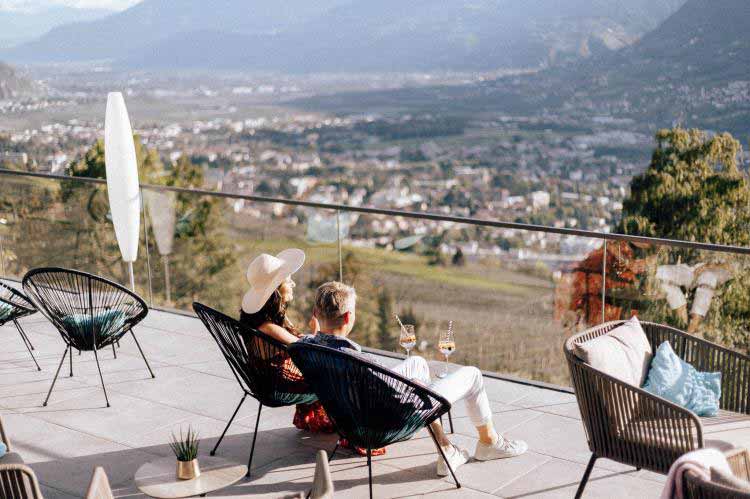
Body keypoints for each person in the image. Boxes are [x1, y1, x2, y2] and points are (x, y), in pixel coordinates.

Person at [301, 281, 528, 477]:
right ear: (349, 316)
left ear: (316, 314)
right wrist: (423, 389)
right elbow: (403, 397)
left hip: (348, 420)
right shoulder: (360, 363)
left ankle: (446, 449)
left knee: (418, 363)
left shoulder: (306, 349)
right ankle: (489, 443)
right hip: (384, 424)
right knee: (473, 375)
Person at [239, 249, 335, 433]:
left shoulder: (267, 319)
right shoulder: (268, 327)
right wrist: (317, 331)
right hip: (277, 387)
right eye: (288, 280)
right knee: (340, 372)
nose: (293, 283)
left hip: (271, 380)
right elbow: (308, 349)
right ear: (276, 289)